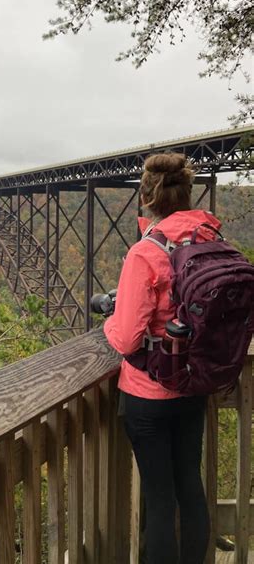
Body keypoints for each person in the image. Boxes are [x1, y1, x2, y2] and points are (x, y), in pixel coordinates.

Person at [103, 152, 214, 564]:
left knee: (161, 498)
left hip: (149, 395)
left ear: (147, 200)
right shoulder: (209, 241)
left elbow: (128, 336)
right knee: (190, 484)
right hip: (195, 385)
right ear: (186, 195)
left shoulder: (145, 253)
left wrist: (108, 323)